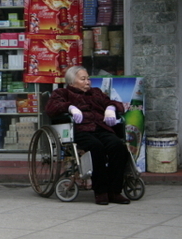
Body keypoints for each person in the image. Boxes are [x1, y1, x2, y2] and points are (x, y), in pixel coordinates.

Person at [45, 66, 130, 205]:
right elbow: (51, 108)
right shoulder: (62, 93)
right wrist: (69, 107)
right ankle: (101, 191)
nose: (88, 82)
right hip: (79, 130)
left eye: (88, 78)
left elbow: (114, 103)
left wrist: (111, 108)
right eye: (83, 79)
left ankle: (115, 191)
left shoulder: (96, 93)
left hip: (101, 128)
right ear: (72, 82)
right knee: (96, 148)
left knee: (118, 146)